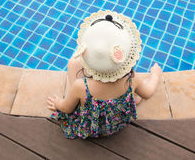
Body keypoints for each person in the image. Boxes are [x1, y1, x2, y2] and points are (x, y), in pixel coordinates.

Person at [47, 10, 162, 139]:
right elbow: (148, 92)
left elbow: (66, 108)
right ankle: (132, 99)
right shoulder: (131, 79)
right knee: (136, 95)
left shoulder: (81, 86)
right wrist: (155, 75)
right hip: (117, 123)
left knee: (73, 63)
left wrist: (58, 103)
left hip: (92, 128)